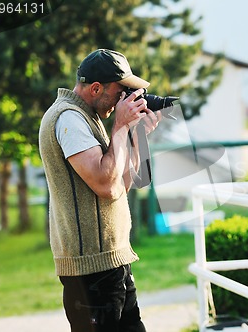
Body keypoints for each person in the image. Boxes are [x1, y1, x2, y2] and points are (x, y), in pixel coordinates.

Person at [39, 49, 162, 332]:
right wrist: (120, 124)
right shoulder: (69, 119)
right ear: (96, 88)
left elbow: (123, 184)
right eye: (120, 93)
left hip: (111, 262)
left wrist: (135, 133)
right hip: (91, 270)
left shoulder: (88, 118)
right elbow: (105, 185)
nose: (124, 100)